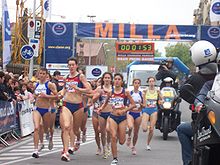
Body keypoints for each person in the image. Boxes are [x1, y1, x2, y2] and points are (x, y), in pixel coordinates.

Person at [177, 40, 218, 165]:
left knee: (181, 129)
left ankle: (188, 161)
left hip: (204, 123)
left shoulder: (195, 78)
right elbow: (196, 94)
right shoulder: (212, 80)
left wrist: (195, 104)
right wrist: (198, 103)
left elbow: (184, 92)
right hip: (210, 121)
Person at [98, 73, 136, 165]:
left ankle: (123, 135)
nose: (117, 81)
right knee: (113, 137)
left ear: (122, 81)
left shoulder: (125, 92)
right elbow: (105, 103)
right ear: (113, 81)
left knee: (122, 141)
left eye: (119, 79)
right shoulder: (110, 93)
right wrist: (101, 108)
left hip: (122, 118)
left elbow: (133, 104)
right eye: (115, 79)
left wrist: (124, 110)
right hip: (112, 117)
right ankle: (115, 158)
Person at [58, 57, 91, 161]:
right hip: (67, 104)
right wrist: (60, 94)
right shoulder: (66, 77)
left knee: (76, 129)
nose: (71, 67)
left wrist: (78, 89)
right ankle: (66, 152)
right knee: (67, 126)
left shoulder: (80, 77)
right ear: (67, 66)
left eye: (73, 65)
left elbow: (89, 89)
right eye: (69, 65)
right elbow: (64, 89)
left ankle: (78, 137)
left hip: (78, 106)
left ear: (76, 66)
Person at [32, 68, 58, 158]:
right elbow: (34, 95)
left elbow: (57, 96)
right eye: (40, 73)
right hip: (37, 108)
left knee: (47, 129)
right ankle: (35, 150)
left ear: (46, 75)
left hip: (47, 109)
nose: (42, 75)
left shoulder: (50, 84)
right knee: (36, 127)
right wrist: (33, 97)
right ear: (38, 75)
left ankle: (50, 137)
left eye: (43, 73)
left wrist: (46, 96)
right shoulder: (35, 84)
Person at [92, 72, 113, 158]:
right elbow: (93, 100)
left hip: (110, 112)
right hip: (100, 112)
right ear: (103, 79)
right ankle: (103, 148)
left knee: (108, 130)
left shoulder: (114, 89)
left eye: (108, 78)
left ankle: (108, 145)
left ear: (111, 79)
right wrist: (98, 94)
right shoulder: (98, 89)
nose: (107, 79)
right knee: (102, 132)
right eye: (105, 78)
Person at [142, 76, 161, 150]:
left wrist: (161, 101)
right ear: (148, 82)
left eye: (153, 81)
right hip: (146, 110)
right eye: (150, 81)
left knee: (152, 129)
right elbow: (143, 103)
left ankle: (148, 144)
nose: (151, 83)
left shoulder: (157, 91)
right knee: (144, 129)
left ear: (155, 82)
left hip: (154, 110)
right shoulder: (145, 91)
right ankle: (147, 126)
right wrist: (143, 99)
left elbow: (161, 99)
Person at [126, 78, 143, 155]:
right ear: (133, 84)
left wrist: (141, 104)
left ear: (139, 84)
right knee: (130, 127)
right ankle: (129, 136)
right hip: (131, 112)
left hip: (138, 113)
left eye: (138, 83)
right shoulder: (130, 93)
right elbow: (126, 104)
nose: (136, 84)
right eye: (135, 83)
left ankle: (133, 147)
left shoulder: (141, 94)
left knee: (136, 132)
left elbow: (144, 105)